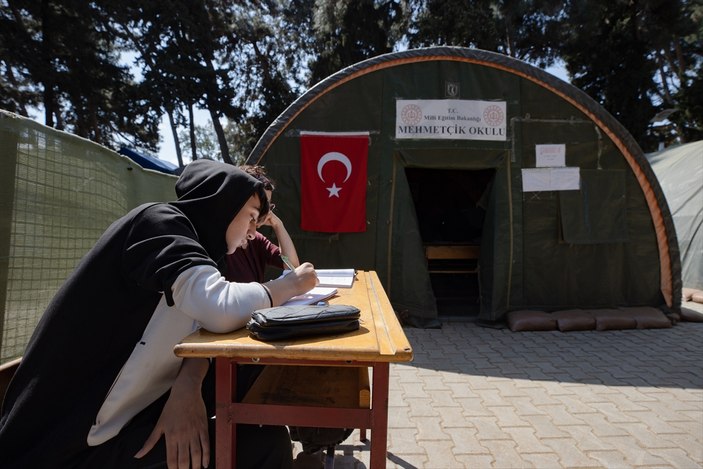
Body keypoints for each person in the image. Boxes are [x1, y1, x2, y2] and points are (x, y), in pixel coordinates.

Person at [0, 159, 318, 468]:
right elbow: (217, 309)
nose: (252, 232)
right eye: (250, 217)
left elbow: (205, 325)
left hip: (128, 422)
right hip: (67, 447)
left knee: (264, 441)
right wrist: (287, 286)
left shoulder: (203, 254)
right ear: (223, 205)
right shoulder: (157, 224)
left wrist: (188, 384)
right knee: (261, 447)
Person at [225, 165, 299, 283]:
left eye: (268, 207)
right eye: (261, 206)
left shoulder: (256, 240)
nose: (264, 212)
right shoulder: (222, 245)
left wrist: (278, 225)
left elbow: (291, 266)